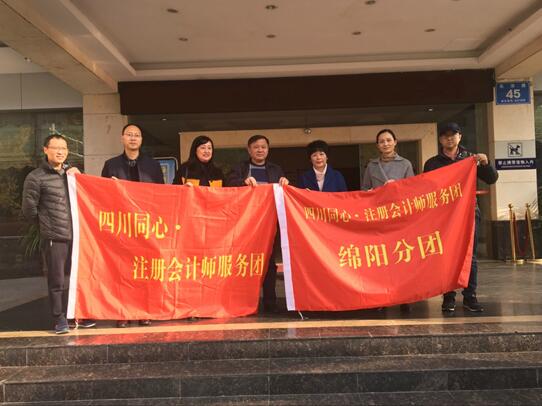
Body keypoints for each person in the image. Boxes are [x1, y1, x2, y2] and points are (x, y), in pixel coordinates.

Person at [22, 134, 96, 334]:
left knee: (78, 277)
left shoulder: (72, 175)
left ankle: (77, 315)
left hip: (78, 236)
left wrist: (80, 176)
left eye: (63, 148)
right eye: (55, 148)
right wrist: (46, 226)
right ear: (45, 150)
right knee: (57, 280)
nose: (60, 151)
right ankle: (59, 318)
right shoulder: (36, 177)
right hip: (55, 236)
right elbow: (29, 210)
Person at [423, 122, 498, 313]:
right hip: (444, 216)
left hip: (469, 213)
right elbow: (425, 189)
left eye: (453, 134)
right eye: (445, 135)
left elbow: (491, 179)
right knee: (446, 255)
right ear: (440, 139)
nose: (449, 138)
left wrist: (485, 163)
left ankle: (470, 297)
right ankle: (448, 297)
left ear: (460, 137)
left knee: (470, 256)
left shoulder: (471, 159)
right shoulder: (432, 163)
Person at [101, 123, 164, 327]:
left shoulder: (153, 166)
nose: (133, 138)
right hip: (122, 227)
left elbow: (161, 195)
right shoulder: (111, 165)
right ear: (122, 138)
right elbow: (101, 196)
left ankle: (144, 311)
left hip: (146, 227)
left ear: (141, 140)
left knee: (144, 270)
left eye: (137, 135)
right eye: (129, 134)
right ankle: (123, 312)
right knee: (122, 271)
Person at [227, 134, 288, 312]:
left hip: (269, 224)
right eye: (256, 147)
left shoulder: (276, 169)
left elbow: (283, 192)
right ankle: (242, 301)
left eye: (263, 147)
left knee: (268, 262)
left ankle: (270, 302)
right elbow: (228, 184)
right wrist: (243, 182)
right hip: (245, 224)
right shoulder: (240, 168)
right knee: (244, 261)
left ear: (268, 150)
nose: (260, 150)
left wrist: (285, 183)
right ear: (249, 150)